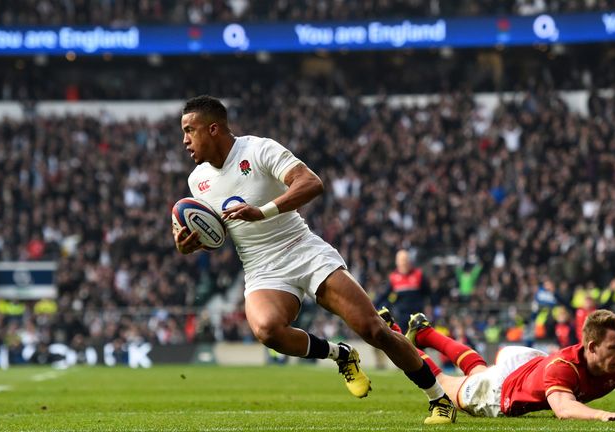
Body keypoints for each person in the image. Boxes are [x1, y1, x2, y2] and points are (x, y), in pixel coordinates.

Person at [173, 95, 456, 424]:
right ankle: (341, 354)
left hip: (301, 249)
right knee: (267, 331)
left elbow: (311, 183)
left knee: (375, 330)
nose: (184, 140)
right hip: (261, 267)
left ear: (213, 129)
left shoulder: (258, 150)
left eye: (189, 130)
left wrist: (262, 212)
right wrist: (188, 246)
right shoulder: (197, 182)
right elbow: (214, 235)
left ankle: (439, 400)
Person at [379, 308, 615, 421]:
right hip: (503, 390)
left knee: (479, 367)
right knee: (447, 383)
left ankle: (424, 333)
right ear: (591, 346)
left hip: (530, 364)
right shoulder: (566, 366)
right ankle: (397, 332)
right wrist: (605, 416)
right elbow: (563, 408)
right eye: (614, 346)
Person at [375, 249, 430, 332]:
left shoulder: (418, 275)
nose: (404, 263)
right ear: (397, 263)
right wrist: (373, 305)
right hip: (401, 316)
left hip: (417, 315)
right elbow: (384, 295)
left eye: (405, 260)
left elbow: (428, 292)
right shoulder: (394, 278)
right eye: (401, 261)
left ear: (410, 261)